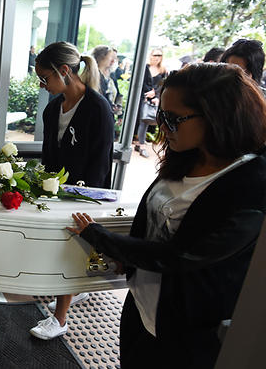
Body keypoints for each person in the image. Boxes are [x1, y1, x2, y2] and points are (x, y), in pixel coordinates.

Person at [68, 63, 266, 368]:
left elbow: (182, 255)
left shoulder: (251, 183)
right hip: (142, 307)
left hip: (187, 330)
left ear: (218, 115)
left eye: (173, 119)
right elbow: (152, 216)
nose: (162, 126)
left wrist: (102, 238)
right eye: (161, 115)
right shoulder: (186, 156)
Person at [30, 41, 115, 340]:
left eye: (45, 78)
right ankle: (74, 291)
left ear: (64, 71)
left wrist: (82, 202)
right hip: (58, 189)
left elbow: (99, 164)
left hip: (86, 194)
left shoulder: (98, 108)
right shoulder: (53, 108)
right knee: (63, 251)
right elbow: (49, 154)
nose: (42, 85)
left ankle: (60, 318)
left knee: (70, 249)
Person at [135, 48, 167, 158]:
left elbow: (163, 85)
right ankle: (142, 145)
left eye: (159, 55)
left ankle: (140, 143)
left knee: (150, 120)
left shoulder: (163, 70)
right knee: (143, 121)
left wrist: (156, 95)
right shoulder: (145, 67)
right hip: (143, 97)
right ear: (151, 55)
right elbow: (139, 81)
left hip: (155, 100)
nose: (157, 57)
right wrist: (147, 93)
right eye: (155, 55)